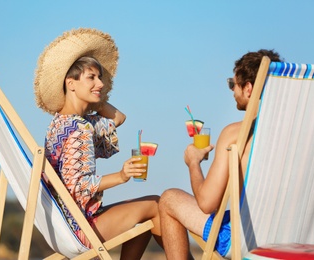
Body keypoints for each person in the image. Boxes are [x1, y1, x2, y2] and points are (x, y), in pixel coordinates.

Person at [34, 28, 163, 259]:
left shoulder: (61, 123)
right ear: (70, 83)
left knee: (147, 214)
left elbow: (118, 118)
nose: (101, 83)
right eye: (91, 77)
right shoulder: (80, 128)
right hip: (80, 227)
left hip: (62, 226)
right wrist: (122, 176)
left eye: (100, 77)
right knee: (157, 206)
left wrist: (94, 95)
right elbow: (78, 186)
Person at [159, 49, 283, 259]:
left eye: (232, 84)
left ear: (249, 88)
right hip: (297, 240)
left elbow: (208, 203)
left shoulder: (237, 133)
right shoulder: (306, 134)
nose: (232, 91)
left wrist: (193, 163)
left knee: (169, 199)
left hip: (249, 240)